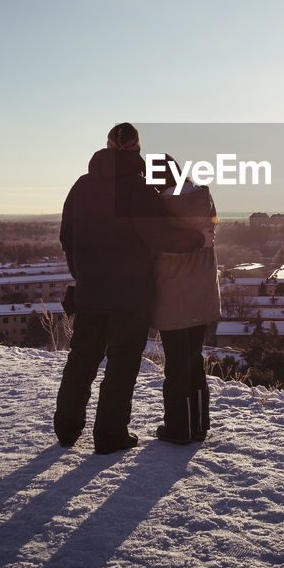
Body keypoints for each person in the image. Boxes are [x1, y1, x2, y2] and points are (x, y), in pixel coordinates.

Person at [53, 123, 211, 454]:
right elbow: (161, 237)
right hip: (129, 297)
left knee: (82, 359)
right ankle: (109, 435)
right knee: (122, 365)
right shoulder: (137, 191)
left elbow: (67, 237)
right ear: (137, 150)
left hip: (91, 292)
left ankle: (67, 429)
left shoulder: (80, 187)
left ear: (107, 147)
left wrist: (82, 274)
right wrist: (199, 238)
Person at [149, 159, 221, 444]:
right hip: (203, 298)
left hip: (173, 299)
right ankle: (199, 425)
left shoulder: (158, 212)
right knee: (194, 362)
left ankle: (179, 429)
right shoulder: (205, 203)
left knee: (176, 367)